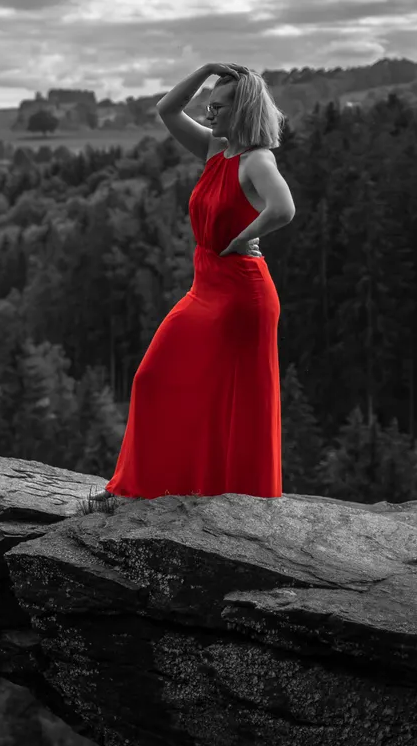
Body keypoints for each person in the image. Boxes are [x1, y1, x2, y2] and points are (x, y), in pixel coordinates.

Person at [84, 62, 297, 511]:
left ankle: (235, 502)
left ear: (242, 111)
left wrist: (242, 236)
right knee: (153, 378)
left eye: (218, 107)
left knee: (234, 402)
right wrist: (205, 71)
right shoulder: (215, 151)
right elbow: (167, 108)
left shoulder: (256, 159)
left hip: (242, 295)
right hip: (206, 289)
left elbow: (283, 208)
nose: (209, 113)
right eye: (209, 104)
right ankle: (146, 487)